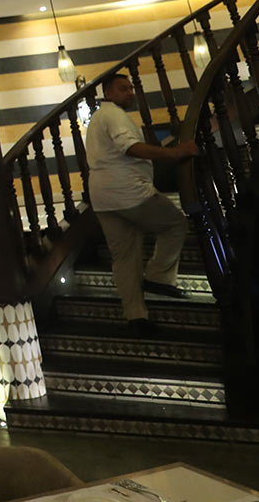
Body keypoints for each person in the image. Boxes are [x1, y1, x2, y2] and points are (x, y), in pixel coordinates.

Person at [84, 74, 198, 334]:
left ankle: (136, 317)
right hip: (129, 191)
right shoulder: (113, 114)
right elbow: (131, 148)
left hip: (103, 198)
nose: (130, 92)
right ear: (109, 94)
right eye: (123, 89)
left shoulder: (99, 118)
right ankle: (158, 277)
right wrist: (174, 153)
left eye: (131, 88)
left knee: (124, 257)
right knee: (176, 224)